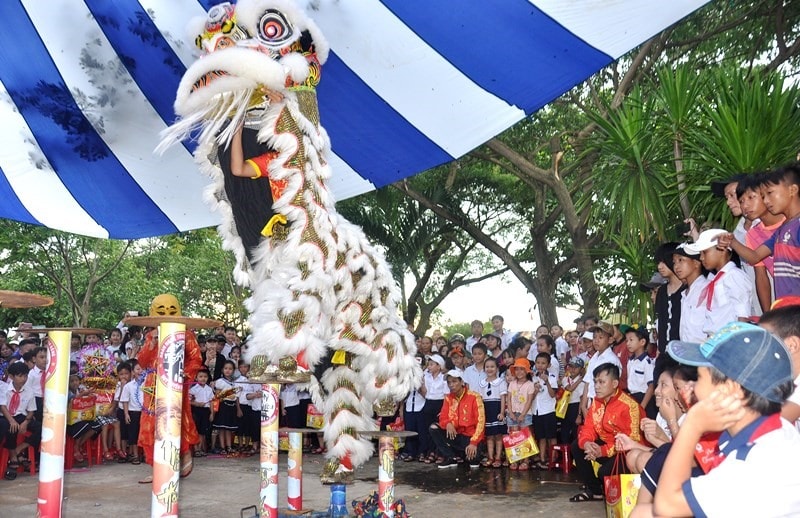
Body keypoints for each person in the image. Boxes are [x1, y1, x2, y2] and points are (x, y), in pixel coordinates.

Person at [650, 323, 800, 517]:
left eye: (699, 378)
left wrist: (692, 425)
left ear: (728, 389)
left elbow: (666, 505)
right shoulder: (772, 430)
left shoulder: (756, 464)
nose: (693, 388)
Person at [720, 165, 800, 301]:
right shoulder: (781, 231)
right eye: (763, 196)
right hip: (786, 310)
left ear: (792, 190)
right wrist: (731, 241)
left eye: (769, 193)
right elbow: (755, 257)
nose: (767, 201)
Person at [569, 363, 645, 503]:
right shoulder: (597, 402)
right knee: (576, 446)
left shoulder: (630, 406)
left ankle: (606, 489)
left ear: (615, 383)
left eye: (602, 382)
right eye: (595, 382)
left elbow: (634, 440)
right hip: (608, 448)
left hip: (628, 452)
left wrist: (602, 451)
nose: (597, 386)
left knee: (603, 473)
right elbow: (588, 428)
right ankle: (595, 491)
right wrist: (587, 444)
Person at [686, 228, 752, 337]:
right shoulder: (715, 279)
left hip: (730, 340)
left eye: (705, 252)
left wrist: (740, 343)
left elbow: (743, 313)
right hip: (716, 340)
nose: (701, 258)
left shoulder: (734, 276)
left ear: (722, 250)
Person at [738, 174, 785, 312]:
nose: (745, 205)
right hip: (787, 300)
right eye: (741, 201)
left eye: (751, 197)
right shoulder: (753, 235)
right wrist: (767, 315)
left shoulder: (792, 221)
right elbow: (761, 276)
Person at [429, 370, 485, 469]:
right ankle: (451, 457)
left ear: (462, 382)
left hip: (470, 437)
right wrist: (448, 423)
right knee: (433, 427)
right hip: (455, 435)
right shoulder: (448, 398)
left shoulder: (474, 397)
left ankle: (466, 454)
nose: (451, 385)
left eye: (454, 381)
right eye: (449, 382)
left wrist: (473, 443)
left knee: (473, 462)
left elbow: (481, 422)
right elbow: (442, 417)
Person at [0, 362, 42, 480]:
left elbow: (31, 411)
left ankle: (19, 449)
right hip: (6, 416)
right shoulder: (4, 388)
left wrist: (26, 422)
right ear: (12, 377)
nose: (23, 379)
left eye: (25, 376)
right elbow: (2, 406)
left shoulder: (29, 391)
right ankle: (13, 457)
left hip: (21, 416)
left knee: (41, 428)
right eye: (20, 376)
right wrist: (11, 421)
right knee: (10, 427)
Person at [580, 321, 622, 422]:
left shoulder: (611, 360)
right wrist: (583, 405)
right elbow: (588, 381)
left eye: (600, 338)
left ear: (610, 339)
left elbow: (610, 389)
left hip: (604, 405)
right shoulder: (595, 357)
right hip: (591, 403)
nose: (596, 341)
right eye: (594, 337)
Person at [672, 243, 709, 345]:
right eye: (674, 262)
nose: (676, 266)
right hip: (688, 354)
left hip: (704, 354)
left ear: (696, 263)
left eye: (681, 260)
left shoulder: (707, 288)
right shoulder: (684, 294)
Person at [505, 357, 536, 470]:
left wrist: (523, 414)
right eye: (516, 369)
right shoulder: (512, 383)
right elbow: (508, 398)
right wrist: (511, 412)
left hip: (525, 413)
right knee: (514, 436)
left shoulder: (530, 384)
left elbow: (529, 401)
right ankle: (515, 459)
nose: (519, 372)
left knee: (525, 436)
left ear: (527, 371)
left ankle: (526, 460)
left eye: (522, 369)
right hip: (512, 413)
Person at [478, 356, 506, 468]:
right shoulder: (481, 383)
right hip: (486, 410)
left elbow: (503, 398)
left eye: (492, 367)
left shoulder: (501, 382)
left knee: (498, 436)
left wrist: (502, 412)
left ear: (497, 368)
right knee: (489, 436)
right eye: (487, 367)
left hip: (497, 408)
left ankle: (498, 457)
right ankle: (490, 457)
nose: (489, 369)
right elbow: (480, 399)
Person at [531, 352, 558, 470]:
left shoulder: (552, 377)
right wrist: (535, 391)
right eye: (538, 363)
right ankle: (542, 459)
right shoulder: (532, 377)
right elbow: (530, 397)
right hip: (536, 411)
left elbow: (553, 395)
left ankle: (552, 459)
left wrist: (546, 382)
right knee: (541, 437)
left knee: (551, 436)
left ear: (548, 364)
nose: (540, 365)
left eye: (543, 363)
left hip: (548, 411)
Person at [623, 324, 656, 419]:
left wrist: (642, 407)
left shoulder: (647, 362)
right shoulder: (630, 361)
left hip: (644, 399)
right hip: (633, 398)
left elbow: (651, 386)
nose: (628, 343)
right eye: (626, 340)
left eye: (631, 340)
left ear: (642, 342)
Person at [398, 355, 427, 463]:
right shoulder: (406, 376)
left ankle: (422, 452)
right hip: (409, 406)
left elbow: (427, 394)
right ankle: (411, 452)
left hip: (421, 406)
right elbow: (403, 394)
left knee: (422, 431)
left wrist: (420, 385)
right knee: (410, 430)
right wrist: (401, 408)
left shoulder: (426, 376)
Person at [420, 354, 448, 464]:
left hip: (440, 403)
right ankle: (431, 452)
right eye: (429, 364)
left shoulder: (444, 378)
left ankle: (440, 453)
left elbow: (446, 395)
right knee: (428, 430)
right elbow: (425, 393)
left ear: (439, 366)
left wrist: (444, 409)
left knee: (439, 430)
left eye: (432, 364)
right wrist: (421, 382)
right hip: (428, 403)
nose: (429, 367)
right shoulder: (426, 377)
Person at [213, 360, 241, 456]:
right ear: (222, 370)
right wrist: (228, 395)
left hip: (232, 406)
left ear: (233, 370)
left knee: (228, 428)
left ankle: (229, 446)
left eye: (230, 369)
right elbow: (218, 396)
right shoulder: (220, 381)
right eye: (226, 368)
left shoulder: (234, 383)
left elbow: (236, 397)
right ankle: (222, 447)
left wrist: (238, 408)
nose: (228, 371)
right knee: (222, 428)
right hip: (223, 406)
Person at [120, 361, 144, 465]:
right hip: (133, 412)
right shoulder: (128, 386)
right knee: (133, 435)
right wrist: (126, 414)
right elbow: (125, 401)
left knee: (142, 434)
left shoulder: (148, 383)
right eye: (138, 369)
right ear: (133, 372)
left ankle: (144, 454)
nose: (140, 371)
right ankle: (135, 455)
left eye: (142, 369)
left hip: (144, 413)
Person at [559, 357, 585, 445]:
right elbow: (569, 389)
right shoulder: (565, 379)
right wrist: (579, 380)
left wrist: (579, 415)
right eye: (571, 366)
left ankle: (574, 454)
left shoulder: (583, 383)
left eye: (576, 367)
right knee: (564, 430)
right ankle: (566, 453)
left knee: (575, 431)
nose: (573, 369)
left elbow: (582, 400)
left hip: (576, 406)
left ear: (581, 369)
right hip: (564, 407)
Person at [190, 369, 215, 457]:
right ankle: (196, 449)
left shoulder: (209, 389)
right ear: (196, 378)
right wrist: (197, 403)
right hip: (197, 410)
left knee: (202, 431)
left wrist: (212, 413)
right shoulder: (193, 389)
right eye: (200, 377)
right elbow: (189, 401)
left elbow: (211, 402)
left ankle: (200, 449)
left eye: (205, 377)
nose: (203, 379)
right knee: (196, 430)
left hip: (206, 411)